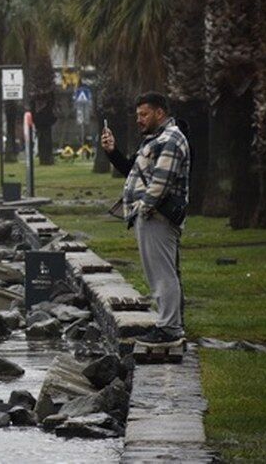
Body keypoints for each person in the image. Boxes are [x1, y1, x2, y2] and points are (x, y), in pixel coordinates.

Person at [101, 92, 190, 346]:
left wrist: (142, 208)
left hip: (157, 217)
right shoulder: (156, 139)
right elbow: (135, 172)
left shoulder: (171, 139)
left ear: (159, 113)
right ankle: (168, 325)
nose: (139, 119)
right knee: (159, 273)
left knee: (163, 274)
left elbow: (160, 184)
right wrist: (112, 152)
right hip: (150, 216)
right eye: (138, 114)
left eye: (144, 114)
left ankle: (170, 329)